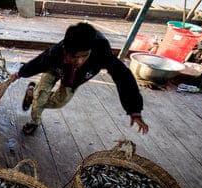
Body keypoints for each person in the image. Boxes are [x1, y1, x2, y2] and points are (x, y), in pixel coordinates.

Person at [12, 22, 149, 135]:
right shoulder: (56, 53)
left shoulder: (102, 52)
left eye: (84, 56)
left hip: (74, 79)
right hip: (55, 69)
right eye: (75, 57)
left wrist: (134, 109)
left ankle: (32, 94)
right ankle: (34, 121)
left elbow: (123, 75)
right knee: (41, 95)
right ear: (66, 51)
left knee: (60, 102)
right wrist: (20, 74)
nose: (79, 61)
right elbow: (39, 63)